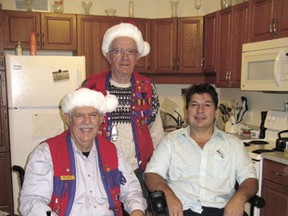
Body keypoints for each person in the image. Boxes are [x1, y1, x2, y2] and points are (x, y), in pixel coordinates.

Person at [20, 88, 147, 216]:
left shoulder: (111, 151)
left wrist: (136, 211)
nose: (87, 121)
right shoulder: (46, 153)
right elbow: (32, 202)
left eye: (93, 115)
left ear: (101, 118)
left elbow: (132, 191)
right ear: (68, 118)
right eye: (79, 115)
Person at [144, 83, 258, 216]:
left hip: (221, 210)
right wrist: (168, 195)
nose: (200, 110)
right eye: (194, 105)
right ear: (186, 111)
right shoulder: (170, 141)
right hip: (180, 210)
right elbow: (151, 174)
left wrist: (240, 197)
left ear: (215, 112)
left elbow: (250, 180)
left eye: (207, 105)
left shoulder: (234, 144)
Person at [82, 23, 165, 197]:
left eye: (131, 51)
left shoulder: (147, 88)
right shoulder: (90, 86)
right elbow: (76, 130)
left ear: (138, 56)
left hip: (138, 173)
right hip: (98, 170)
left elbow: (156, 134)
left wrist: (158, 170)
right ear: (108, 56)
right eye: (118, 51)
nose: (125, 57)